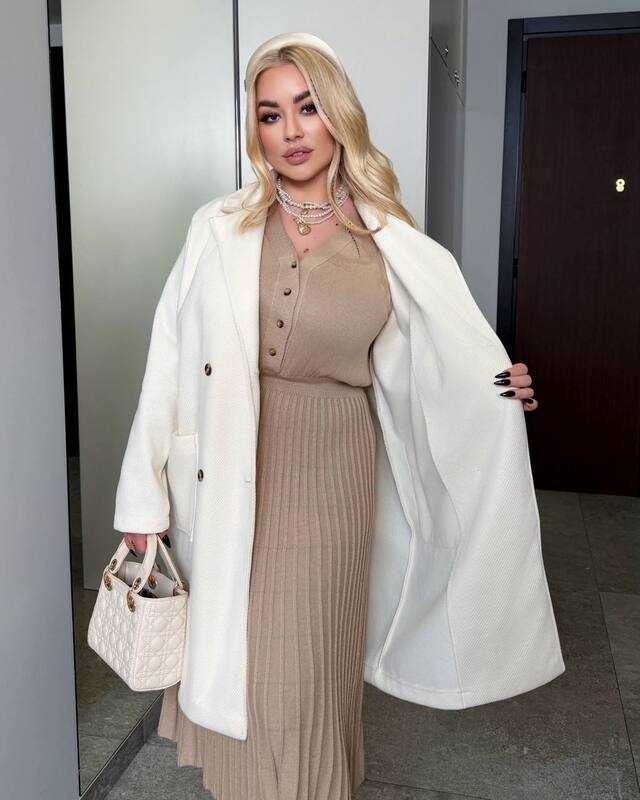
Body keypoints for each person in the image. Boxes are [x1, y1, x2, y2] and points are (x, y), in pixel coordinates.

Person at [118, 31, 549, 800]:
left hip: (333, 478)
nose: (290, 130)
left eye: (307, 107)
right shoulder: (217, 226)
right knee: (237, 660)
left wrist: (498, 387)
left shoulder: (390, 242)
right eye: (270, 114)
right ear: (255, 129)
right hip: (225, 470)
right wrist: (142, 507)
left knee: (307, 668)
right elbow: (166, 366)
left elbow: (432, 368)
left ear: (337, 113)